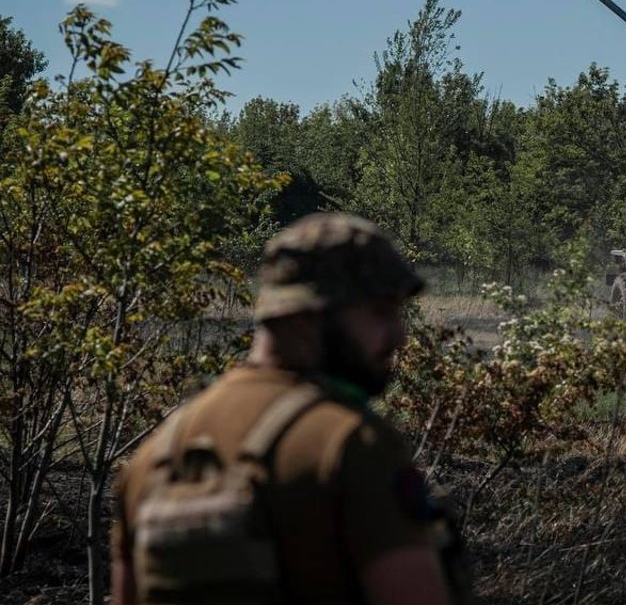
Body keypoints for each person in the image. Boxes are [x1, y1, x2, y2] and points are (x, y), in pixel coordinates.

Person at [111, 213, 467, 604]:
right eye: (380, 312)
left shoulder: (154, 457)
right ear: (306, 316)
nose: (399, 336)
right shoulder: (350, 445)